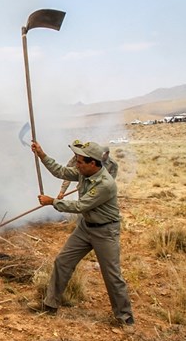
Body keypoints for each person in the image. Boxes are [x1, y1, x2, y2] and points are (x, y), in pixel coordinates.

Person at [29, 140, 134, 328]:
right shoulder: (84, 172)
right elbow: (60, 171)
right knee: (63, 262)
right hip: (86, 227)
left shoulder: (105, 184)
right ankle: (50, 305)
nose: (76, 165)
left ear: (93, 163)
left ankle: (124, 317)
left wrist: (52, 201)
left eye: (80, 162)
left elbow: (81, 205)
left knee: (112, 275)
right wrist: (42, 154)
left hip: (105, 231)